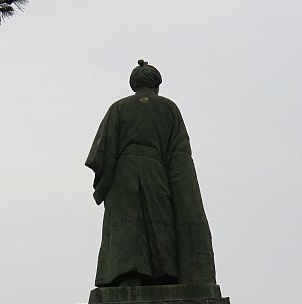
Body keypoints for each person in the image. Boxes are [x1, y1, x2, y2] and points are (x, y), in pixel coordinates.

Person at [86, 60, 216, 287]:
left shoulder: (118, 108)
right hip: (156, 173)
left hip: (122, 176)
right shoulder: (169, 108)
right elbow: (179, 153)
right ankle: (164, 274)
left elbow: (102, 149)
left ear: (133, 84)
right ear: (157, 85)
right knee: (160, 221)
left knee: (125, 225)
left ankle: (126, 276)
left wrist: (107, 180)